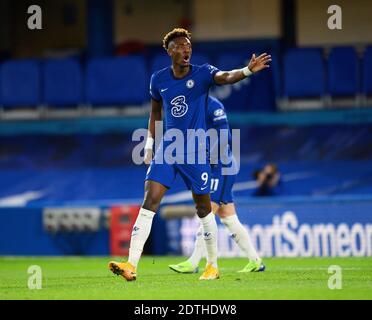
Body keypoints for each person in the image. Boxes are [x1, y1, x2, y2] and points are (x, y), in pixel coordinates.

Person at [108, 28, 271, 281]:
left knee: (204, 208)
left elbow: (226, 77)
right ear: (169, 51)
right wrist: (150, 142)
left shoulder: (203, 73)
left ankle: (212, 266)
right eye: (181, 46)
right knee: (150, 200)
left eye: (188, 46)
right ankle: (131, 265)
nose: (187, 50)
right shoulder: (158, 80)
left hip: (195, 150)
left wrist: (247, 70)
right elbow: (155, 113)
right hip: (169, 148)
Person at [168, 96, 265, 274]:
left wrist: (210, 160)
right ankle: (255, 261)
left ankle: (193, 262)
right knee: (228, 217)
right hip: (213, 166)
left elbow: (226, 136)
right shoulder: (189, 107)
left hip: (220, 166)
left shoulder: (214, 106)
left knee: (207, 211)